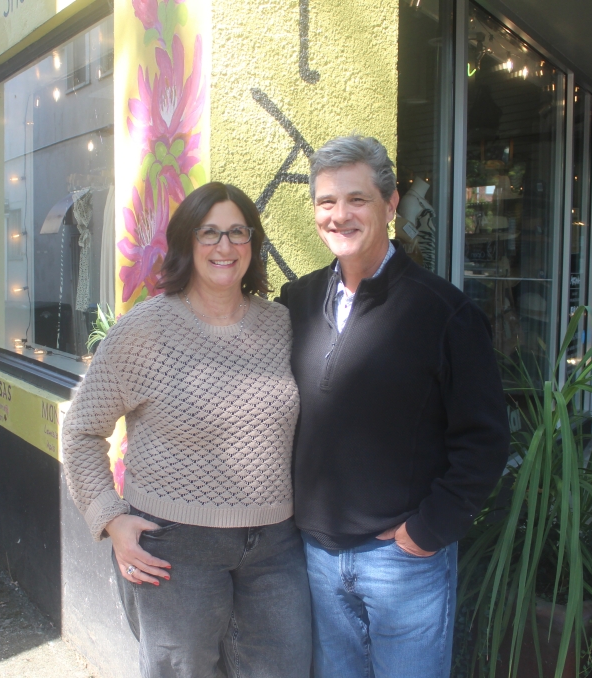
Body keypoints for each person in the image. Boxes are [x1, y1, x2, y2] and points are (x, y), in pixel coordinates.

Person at [276, 135, 510, 678]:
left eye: (356, 199)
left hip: (403, 566)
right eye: (326, 202)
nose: (340, 215)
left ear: (390, 203)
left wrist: (425, 533)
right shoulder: (298, 301)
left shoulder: (444, 313)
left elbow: (485, 439)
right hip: (316, 556)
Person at [62, 182, 311, 678]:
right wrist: (110, 518)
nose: (225, 247)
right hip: (175, 549)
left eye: (237, 232)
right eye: (209, 233)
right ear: (185, 243)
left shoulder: (283, 325)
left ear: (253, 243)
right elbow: (81, 431)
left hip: (275, 548)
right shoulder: (144, 331)